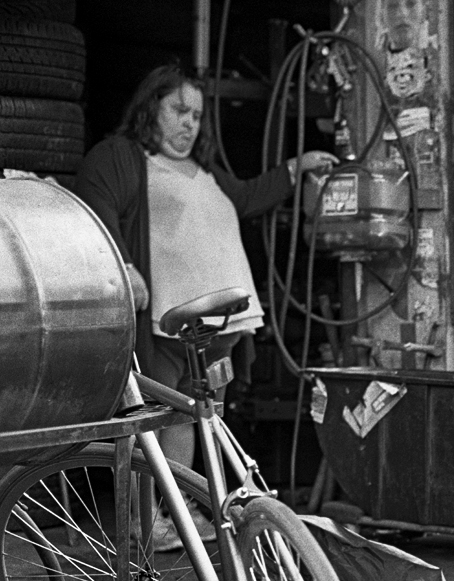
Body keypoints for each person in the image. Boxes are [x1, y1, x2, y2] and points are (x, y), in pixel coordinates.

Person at [74, 65, 334, 549]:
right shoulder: (123, 157)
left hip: (218, 325)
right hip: (162, 320)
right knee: (147, 419)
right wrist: (123, 266)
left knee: (190, 417)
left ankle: (175, 510)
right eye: (178, 109)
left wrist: (296, 169)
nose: (189, 123)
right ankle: (143, 522)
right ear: (150, 108)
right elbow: (96, 203)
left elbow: (247, 197)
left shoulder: (207, 171)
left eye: (196, 114)